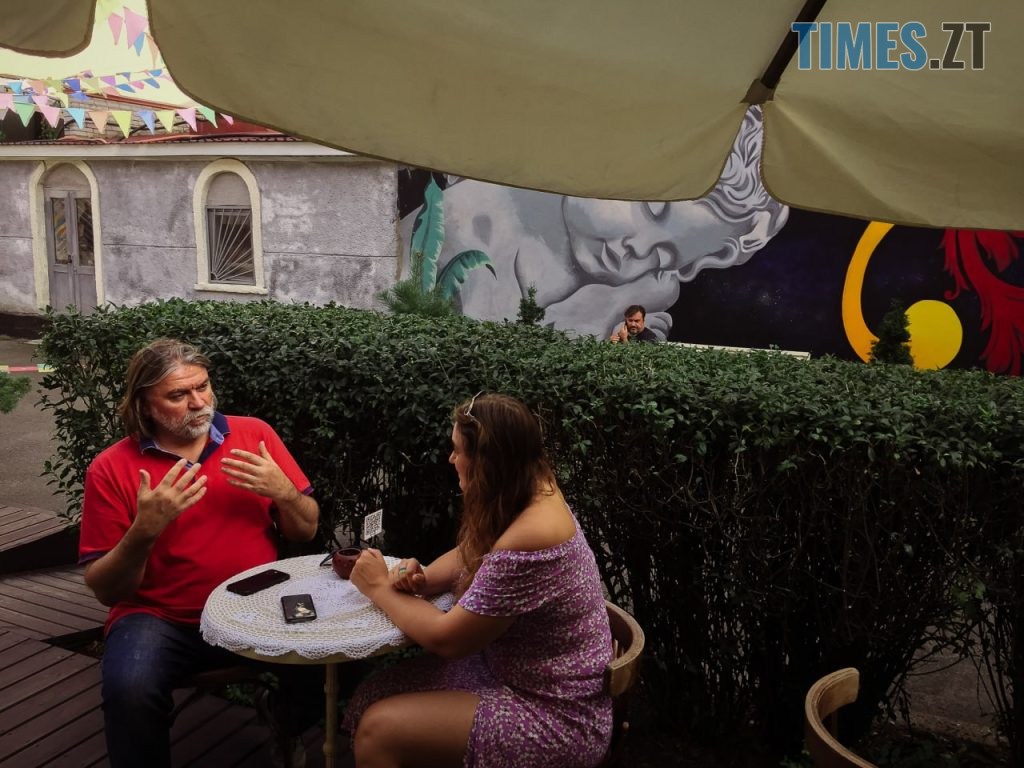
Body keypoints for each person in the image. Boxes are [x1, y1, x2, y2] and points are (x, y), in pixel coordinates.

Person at [79, 338, 320, 768]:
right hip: (160, 618)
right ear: (144, 405)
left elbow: (307, 529)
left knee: (332, 658)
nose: (198, 402)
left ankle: (286, 721)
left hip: (256, 606)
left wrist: (285, 493)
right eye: (178, 395)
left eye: (203, 386)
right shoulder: (111, 468)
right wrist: (145, 530)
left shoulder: (254, 435)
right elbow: (106, 590)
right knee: (129, 691)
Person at [343, 393, 613, 768]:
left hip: (555, 713)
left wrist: (377, 587)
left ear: (487, 462)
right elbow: (472, 551)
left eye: (457, 450)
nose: (451, 459)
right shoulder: (530, 486)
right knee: (372, 695)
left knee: (378, 731)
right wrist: (424, 580)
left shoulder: (533, 534)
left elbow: (448, 639)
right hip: (506, 672)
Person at [399, 105, 788, 341]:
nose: (636, 250)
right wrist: (593, 312)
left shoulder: (646, 284)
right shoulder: (477, 226)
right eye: (650, 208)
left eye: (666, 253)